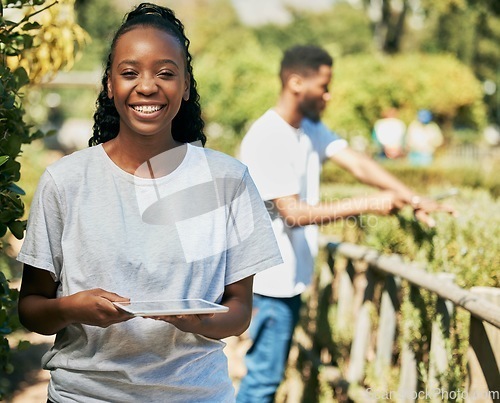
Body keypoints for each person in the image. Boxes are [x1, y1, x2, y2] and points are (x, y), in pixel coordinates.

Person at [17, 3, 282, 402]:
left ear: (186, 85)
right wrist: (73, 308)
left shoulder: (229, 181)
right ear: (110, 85)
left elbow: (240, 311)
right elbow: (31, 308)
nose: (147, 86)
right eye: (129, 73)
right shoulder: (66, 181)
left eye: (165, 73)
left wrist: (198, 320)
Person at [236, 45, 455, 402]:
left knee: (266, 377)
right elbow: (294, 213)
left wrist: (414, 199)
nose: (328, 94)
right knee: (262, 381)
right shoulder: (267, 136)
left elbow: (358, 164)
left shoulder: (307, 128)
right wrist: (370, 203)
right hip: (268, 285)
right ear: (295, 82)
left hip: (287, 281)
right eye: (323, 86)